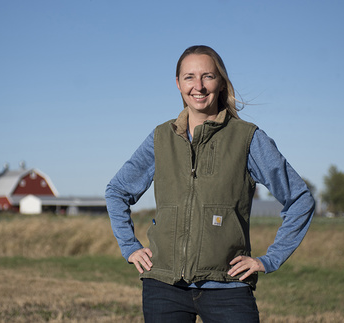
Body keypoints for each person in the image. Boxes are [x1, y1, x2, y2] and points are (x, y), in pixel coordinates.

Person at [105, 45, 315, 322]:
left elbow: (300, 198)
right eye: (189, 77)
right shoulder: (161, 138)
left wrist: (270, 259)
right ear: (178, 83)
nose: (199, 86)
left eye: (208, 76)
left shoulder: (248, 138)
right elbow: (117, 191)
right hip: (163, 287)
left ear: (221, 82)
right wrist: (130, 247)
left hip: (228, 287)